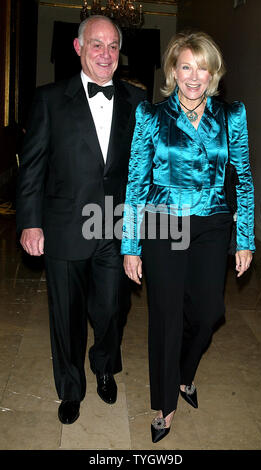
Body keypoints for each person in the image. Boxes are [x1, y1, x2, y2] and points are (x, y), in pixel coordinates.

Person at [121, 31, 255, 443]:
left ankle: (184, 373)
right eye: (185, 66)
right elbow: (135, 183)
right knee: (165, 315)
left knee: (209, 312)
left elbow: (244, 179)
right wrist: (131, 244)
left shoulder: (232, 115)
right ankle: (165, 403)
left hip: (213, 224)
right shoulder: (151, 115)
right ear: (173, 71)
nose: (194, 77)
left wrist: (246, 237)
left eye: (202, 68)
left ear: (213, 73)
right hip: (163, 221)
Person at [16, 15, 146, 425]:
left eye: (112, 46)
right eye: (96, 44)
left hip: (117, 226)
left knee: (111, 308)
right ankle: (70, 389)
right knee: (66, 316)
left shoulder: (138, 102)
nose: (105, 54)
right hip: (63, 225)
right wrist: (29, 221)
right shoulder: (49, 98)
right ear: (78, 48)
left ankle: (104, 364)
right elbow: (32, 167)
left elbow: (146, 169)